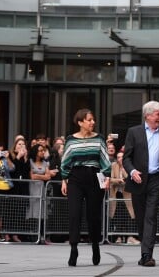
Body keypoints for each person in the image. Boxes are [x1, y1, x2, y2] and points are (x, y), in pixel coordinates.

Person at [123, 100, 159, 267]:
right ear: (147, 115)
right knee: (141, 219)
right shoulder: (134, 132)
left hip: (156, 180)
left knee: (151, 217)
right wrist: (132, 171)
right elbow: (126, 158)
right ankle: (144, 252)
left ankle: (147, 255)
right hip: (138, 180)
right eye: (157, 114)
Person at [60, 108, 111, 267]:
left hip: (95, 177)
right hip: (75, 178)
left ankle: (95, 245)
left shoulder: (99, 138)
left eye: (93, 119)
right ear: (80, 122)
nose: (93, 122)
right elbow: (65, 161)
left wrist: (107, 178)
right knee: (74, 213)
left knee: (93, 215)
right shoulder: (70, 139)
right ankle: (73, 248)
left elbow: (104, 160)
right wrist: (64, 180)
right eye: (89, 120)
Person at [109, 151, 140, 245]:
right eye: (118, 157)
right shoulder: (113, 166)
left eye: (122, 157)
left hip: (128, 195)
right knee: (117, 216)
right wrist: (118, 180)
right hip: (117, 194)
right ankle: (118, 237)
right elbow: (110, 179)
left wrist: (123, 172)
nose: (120, 159)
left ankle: (130, 237)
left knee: (130, 216)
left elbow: (131, 178)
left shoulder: (129, 166)